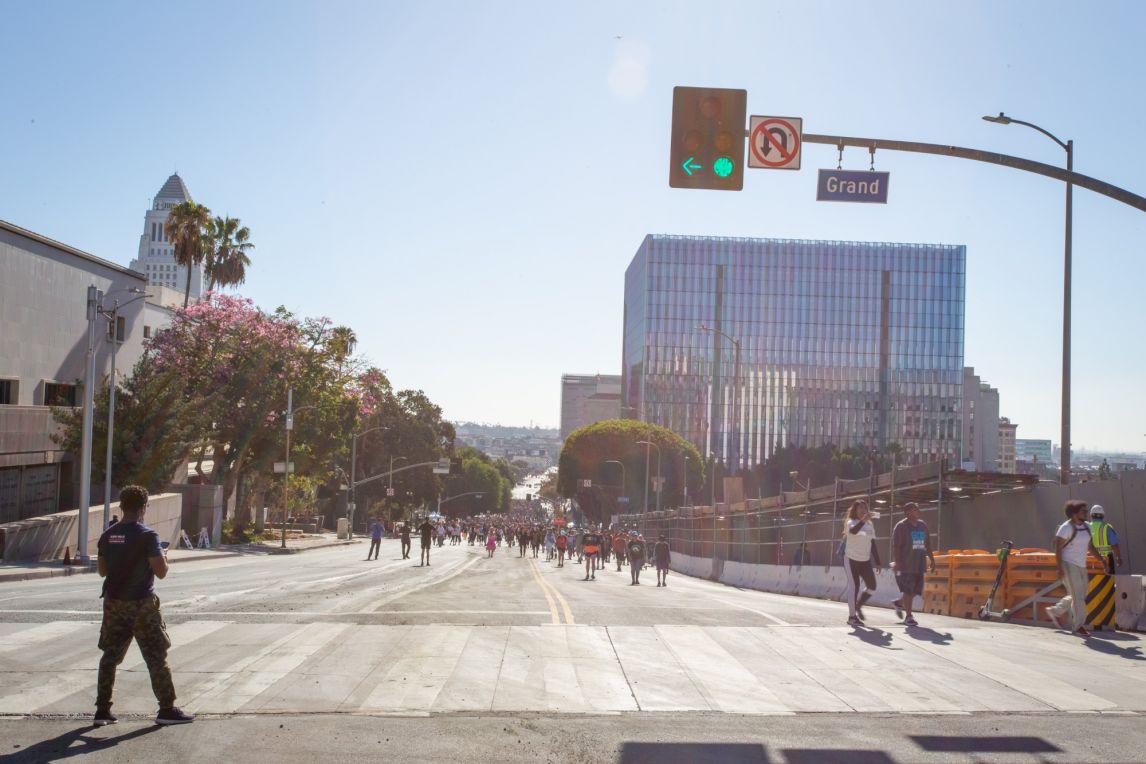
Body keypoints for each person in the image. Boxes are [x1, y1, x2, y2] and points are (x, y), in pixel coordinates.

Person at [93, 485, 193, 727]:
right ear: (144, 507)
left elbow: (102, 571)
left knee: (110, 656)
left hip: (114, 603)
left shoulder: (108, 535)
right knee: (156, 656)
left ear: (121, 506)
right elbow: (161, 572)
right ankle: (166, 709)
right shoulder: (148, 536)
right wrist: (164, 557)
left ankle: (102, 711)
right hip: (141, 605)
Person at [1048, 500, 1103, 636]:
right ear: (1073, 513)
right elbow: (1058, 549)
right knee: (1078, 597)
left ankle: (1055, 611)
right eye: (1083, 511)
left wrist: (1102, 560)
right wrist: (1060, 568)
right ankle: (1078, 625)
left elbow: (1090, 547)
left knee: (1081, 594)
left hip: (1081, 565)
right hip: (1068, 564)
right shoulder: (1065, 528)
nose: (1086, 513)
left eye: (1086, 510)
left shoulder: (1088, 527)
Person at [891, 501, 934, 627]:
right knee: (908, 590)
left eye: (918, 509)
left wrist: (932, 559)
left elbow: (928, 544)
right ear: (908, 512)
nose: (918, 511)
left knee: (917, 590)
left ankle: (899, 602)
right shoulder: (901, 526)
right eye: (915, 509)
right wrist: (898, 562)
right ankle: (909, 617)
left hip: (920, 563)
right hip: (906, 564)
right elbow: (896, 546)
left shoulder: (922, 525)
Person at [842, 500, 882, 627]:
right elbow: (853, 531)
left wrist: (878, 561)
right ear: (855, 510)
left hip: (865, 561)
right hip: (851, 559)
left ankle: (858, 605)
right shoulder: (851, 522)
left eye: (865, 507)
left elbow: (872, 543)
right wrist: (863, 520)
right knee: (854, 586)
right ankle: (852, 617)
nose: (863, 509)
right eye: (860, 508)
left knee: (872, 585)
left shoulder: (869, 525)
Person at [1088, 505, 1123, 575]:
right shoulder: (1107, 527)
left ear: (1091, 515)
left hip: (1090, 559)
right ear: (1103, 516)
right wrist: (1118, 557)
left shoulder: (1086, 527)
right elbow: (1114, 545)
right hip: (1106, 558)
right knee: (1108, 580)